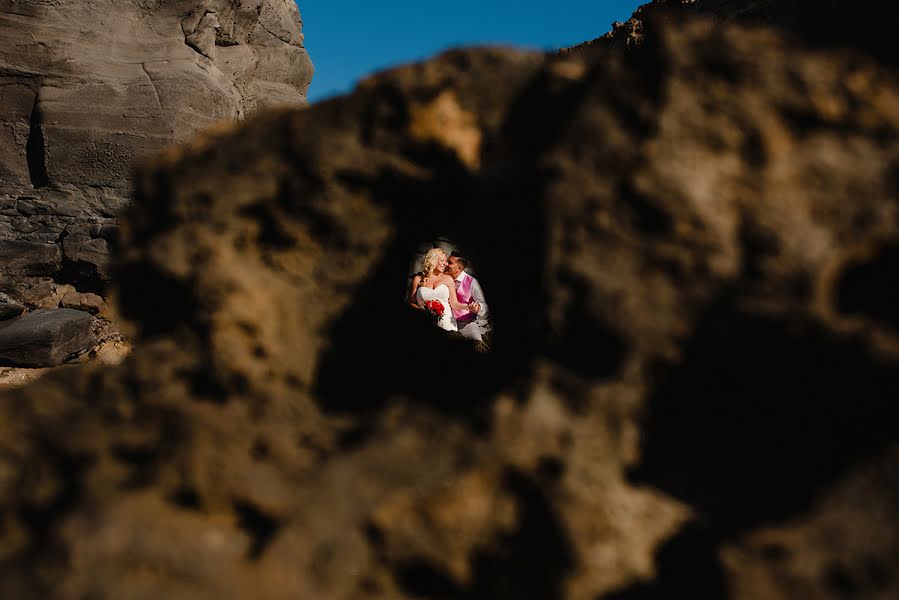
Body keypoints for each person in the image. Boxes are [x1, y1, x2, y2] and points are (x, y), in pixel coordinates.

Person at [408, 248, 477, 332]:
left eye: (446, 261)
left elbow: (454, 303)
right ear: (433, 260)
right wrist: (422, 313)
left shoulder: (448, 279)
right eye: (442, 260)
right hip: (424, 322)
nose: (446, 264)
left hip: (446, 323)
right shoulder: (418, 279)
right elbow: (411, 302)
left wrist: (468, 306)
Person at [446, 252, 489, 342]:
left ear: (459, 268)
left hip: (466, 323)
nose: (446, 264)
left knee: (477, 345)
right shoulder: (442, 277)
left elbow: (483, 303)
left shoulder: (472, 282)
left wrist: (478, 307)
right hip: (445, 321)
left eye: (450, 262)